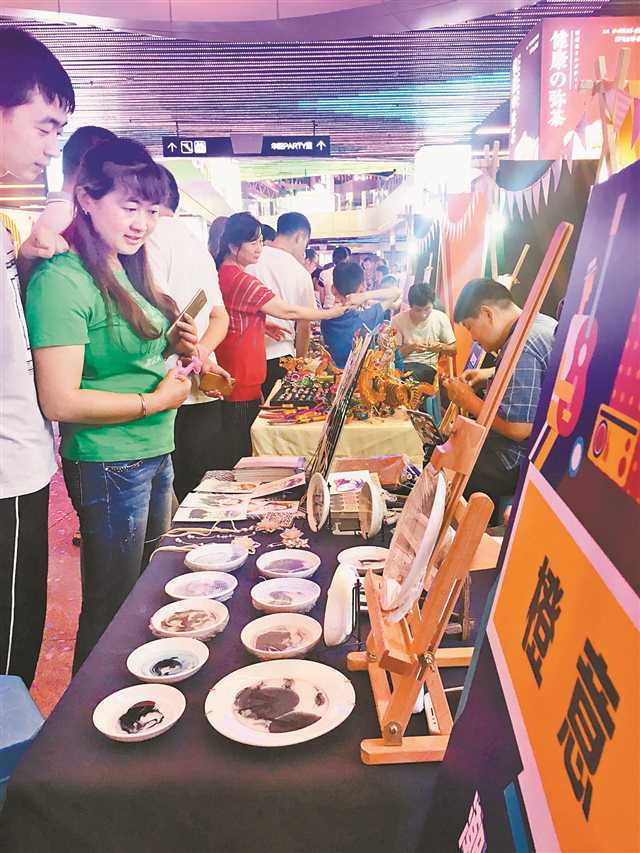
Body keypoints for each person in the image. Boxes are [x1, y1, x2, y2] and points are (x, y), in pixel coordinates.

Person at [25, 138, 195, 670]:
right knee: (114, 607)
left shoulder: (126, 268)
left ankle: (134, 697)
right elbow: (59, 399)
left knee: (149, 595)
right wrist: (152, 401)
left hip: (154, 448)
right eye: (129, 206)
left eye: (151, 210)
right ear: (87, 198)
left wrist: (175, 345)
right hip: (109, 460)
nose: (142, 223)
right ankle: (90, 713)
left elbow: (123, 357)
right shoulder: (63, 279)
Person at [0, 27, 74, 688]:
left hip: (22, 456)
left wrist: (23, 261)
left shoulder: (5, 228)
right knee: (10, 660)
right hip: (7, 465)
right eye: (45, 127)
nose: (52, 147)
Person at [214, 213, 346, 465]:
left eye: (260, 241)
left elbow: (233, 315)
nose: (259, 248)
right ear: (233, 246)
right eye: (253, 242)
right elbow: (289, 311)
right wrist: (331, 313)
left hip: (243, 374)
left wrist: (263, 324)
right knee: (241, 451)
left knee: (242, 443)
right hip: (240, 377)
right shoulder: (239, 279)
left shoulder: (229, 274)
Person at [146, 166, 231, 501]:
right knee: (202, 493)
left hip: (165, 387)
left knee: (171, 497)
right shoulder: (195, 244)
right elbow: (220, 316)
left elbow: (155, 315)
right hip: (201, 385)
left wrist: (192, 354)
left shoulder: (148, 239)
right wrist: (202, 355)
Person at [446, 278, 557, 520]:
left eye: (470, 327)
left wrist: (468, 400)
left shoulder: (521, 346)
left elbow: (519, 429)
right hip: (540, 447)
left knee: (452, 467)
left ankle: (464, 536)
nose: (473, 339)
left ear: (487, 314)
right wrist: (488, 374)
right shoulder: (539, 323)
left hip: (523, 457)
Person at [246, 211, 317, 399]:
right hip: (280, 355)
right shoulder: (300, 273)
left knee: (249, 413)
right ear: (300, 237)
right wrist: (300, 363)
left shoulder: (251, 260)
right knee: (277, 413)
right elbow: (304, 325)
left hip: (247, 353)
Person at [321, 261, 401, 369]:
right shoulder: (368, 317)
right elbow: (396, 292)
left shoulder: (326, 319)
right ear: (361, 288)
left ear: (333, 289)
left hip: (333, 375)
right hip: (362, 376)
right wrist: (365, 296)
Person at [391, 283, 457, 385]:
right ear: (410, 306)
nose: (423, 314)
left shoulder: (441, 318)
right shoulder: (398, 320)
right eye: (418, 310)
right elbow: (393, 356)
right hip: (402, 365)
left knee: (411, 380)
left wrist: (440, 347)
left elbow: (454, 350)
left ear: (432, 304)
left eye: (427, 309)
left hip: (428, 367)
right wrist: (411, 347)